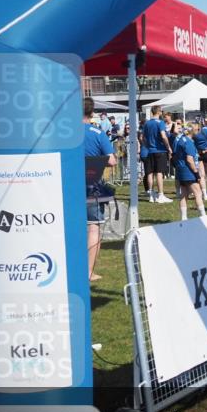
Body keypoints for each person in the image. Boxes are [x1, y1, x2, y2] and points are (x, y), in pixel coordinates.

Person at [83, 98, 117, 282]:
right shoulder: (97, 133)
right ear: (92, 112)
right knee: (93, 228)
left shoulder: (65, 132)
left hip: (67, 186)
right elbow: (111, 160)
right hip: (91, 186)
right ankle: (88, 271)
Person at [173, 122, 206, 220]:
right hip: (188, 171)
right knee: (198, 193)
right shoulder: (189, 142)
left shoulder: (179, 139)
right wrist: (196, 172)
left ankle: (184, 217)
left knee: (184, 194)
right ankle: (203, 215)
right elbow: (189, 159)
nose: (198, 132)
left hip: (180, 170)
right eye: (197, 130)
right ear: (192, 131)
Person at [143, 105, 172, 203]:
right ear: (159, 112)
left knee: (150, 173)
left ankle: (151, 195)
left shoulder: (147, 123)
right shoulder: (160, 123)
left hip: (150, 151)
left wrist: (148, 146)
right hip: (160, 151)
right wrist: (168, 147)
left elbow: (143, 138)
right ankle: (160, 195)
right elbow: (164, 136)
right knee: (159, 173)